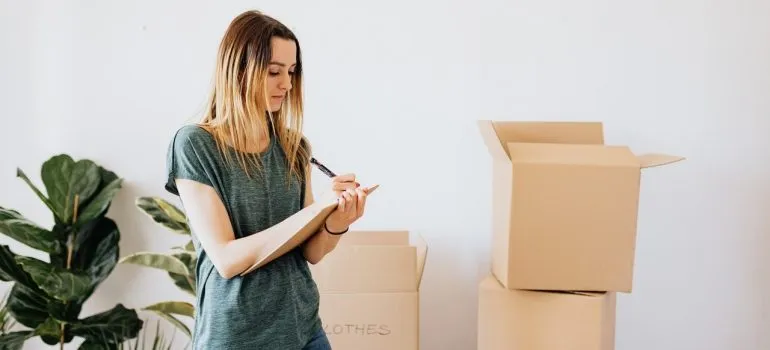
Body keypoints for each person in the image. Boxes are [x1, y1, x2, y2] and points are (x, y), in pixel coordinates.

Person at [163, 10, 371, 350]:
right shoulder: (194, 145)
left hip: (304, 330)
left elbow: (311, 252)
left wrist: (336, 222)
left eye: (291, 72)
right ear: (238, 69)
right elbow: (227, 261)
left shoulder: (294, 147)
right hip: (236, 337)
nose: (287, 84)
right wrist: (314, 211)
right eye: (274, 71)